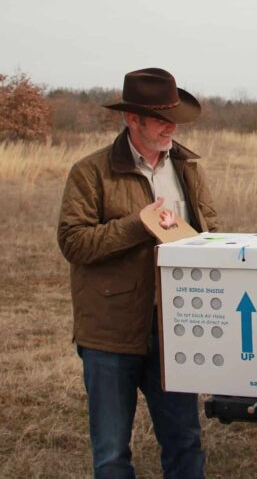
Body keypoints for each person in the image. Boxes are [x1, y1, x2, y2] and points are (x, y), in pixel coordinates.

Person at [57, 68, 218, 478]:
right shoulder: (90, 172)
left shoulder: (186, 169)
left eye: (174, 118)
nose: (172, 126)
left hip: (174, 328)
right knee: (111, 453)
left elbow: (209, 231)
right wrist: (137, 225)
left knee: (184, 441)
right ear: (133, 119)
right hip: (109, 334)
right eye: (162, 118)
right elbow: (73, 243)